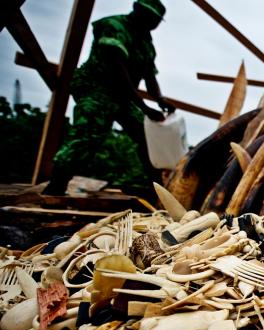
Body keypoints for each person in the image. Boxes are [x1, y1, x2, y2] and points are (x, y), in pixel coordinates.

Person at [44, 0, 174, 195]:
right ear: (139, 11)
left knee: (147, 135)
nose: (155, 25)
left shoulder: (146, 43)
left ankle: (157, 189)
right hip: (97, 88)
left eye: (157, 21)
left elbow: (149, 76)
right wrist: (145, 108)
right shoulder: (113, 26)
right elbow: (117, 71)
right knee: (88, 134)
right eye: (153, 19)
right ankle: (56, 185)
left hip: (123, 95)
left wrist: (160, 99)